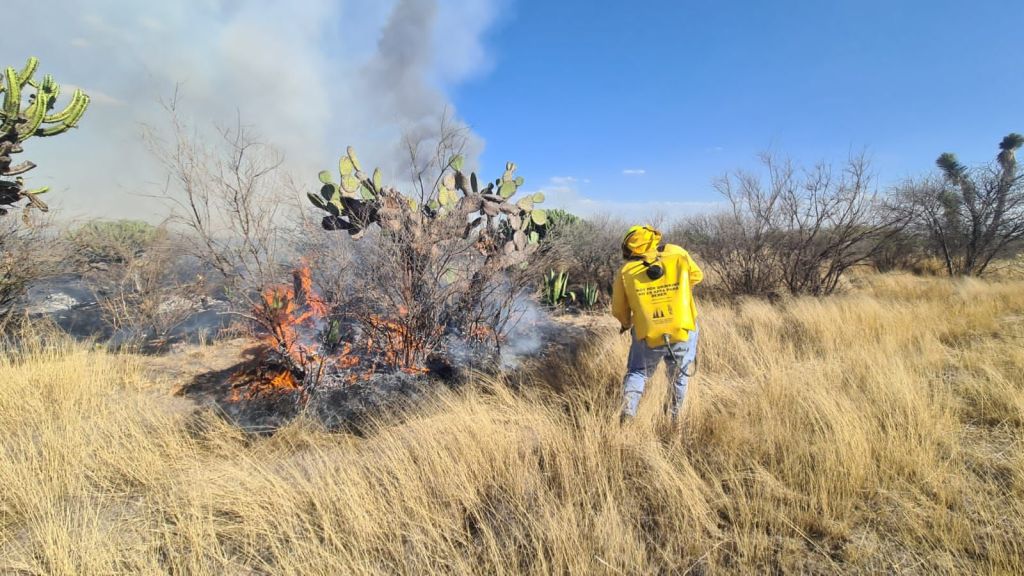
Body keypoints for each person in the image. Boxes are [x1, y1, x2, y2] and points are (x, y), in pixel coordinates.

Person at [611, 224, 703, 422]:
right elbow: (697, 276)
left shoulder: (627, 270)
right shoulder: (677, 253)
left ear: (629, 247)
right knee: (679, 377)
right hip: (683, 327)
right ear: (653, 238)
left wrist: (626, 323)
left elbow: (618, 308)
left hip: (647, 332)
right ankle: (675, 419)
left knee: (638, 372)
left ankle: (628, 413)